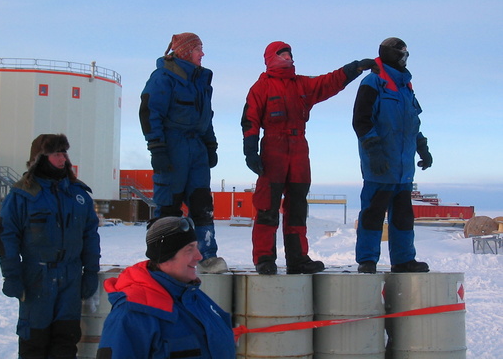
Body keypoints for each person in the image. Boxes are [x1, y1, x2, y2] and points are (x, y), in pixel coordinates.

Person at [241, 41, 377, 275]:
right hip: (273, 149)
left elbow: (329, 82)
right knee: (266, 207)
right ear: (271, 58)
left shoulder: (302, 84)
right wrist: (250, 150)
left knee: (297, 207)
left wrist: (355, 68)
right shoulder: (260, 87)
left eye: (290, 55)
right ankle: (264, 259)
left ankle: (298, 259)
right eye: (282, 54)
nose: (288, 58)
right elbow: (250, 119)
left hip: (299, 149)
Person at [0, 133, 101, 359]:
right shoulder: (22, 195)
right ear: (40, 158)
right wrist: (12, 275)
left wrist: (90, 272)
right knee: (35, 342)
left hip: (71, 278)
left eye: (65, 153)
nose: (63, 159)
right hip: (37, 279)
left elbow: (91, 236)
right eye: (56, 154)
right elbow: (6, 237)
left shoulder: (78, 194)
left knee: (66, 340)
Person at [139, 32, 227, 274]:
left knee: (202, 205)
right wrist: (156, 147)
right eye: (199, 48)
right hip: (172, 147)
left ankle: (207, 256)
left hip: (196, 148)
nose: (203, 53)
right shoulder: (163, 78)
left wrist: (211, 145)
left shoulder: (201, 81)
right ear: (187, 51)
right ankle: (162, 258)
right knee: (168, 205)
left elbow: (206, 118)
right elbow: (149, 111)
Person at [96, 216, 235, 359]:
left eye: (197, 247)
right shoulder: (131, 313)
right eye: (189, 250)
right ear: (166, 256)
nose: (199, 256)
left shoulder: (194, 298)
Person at [352, 37, 432, 274]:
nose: (405, 57)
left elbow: (412, 123)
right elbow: (361, 121)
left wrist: (423, 147)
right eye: (401, 52)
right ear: (390, 54)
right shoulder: (373, 82)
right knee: (372, 215)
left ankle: (404, 259)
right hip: (379, 166)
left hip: (403, 169)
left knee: (403, 217)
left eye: (406, 53)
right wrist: (373, 152)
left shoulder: (406, 87)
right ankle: (367, 260)